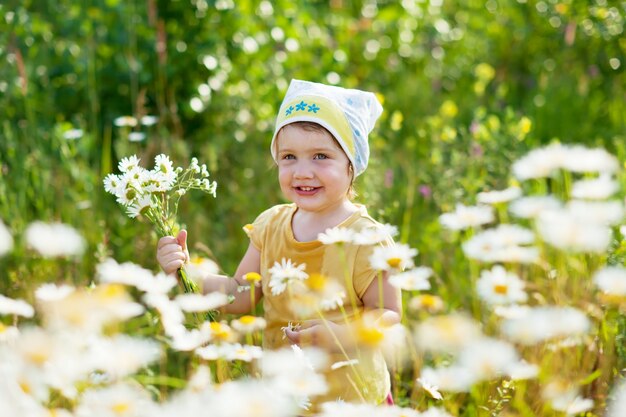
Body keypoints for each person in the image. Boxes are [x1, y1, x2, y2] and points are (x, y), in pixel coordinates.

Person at [157, 79, 401, 412]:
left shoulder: (367, 239)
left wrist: (341, 334)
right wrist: (184, 273)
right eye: (289, 157)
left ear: (352, 164)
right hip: (285, 397)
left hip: (354, 398)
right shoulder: (271, 226)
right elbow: (240, 292)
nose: (303, 171)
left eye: (320, 156)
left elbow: (387, 312)